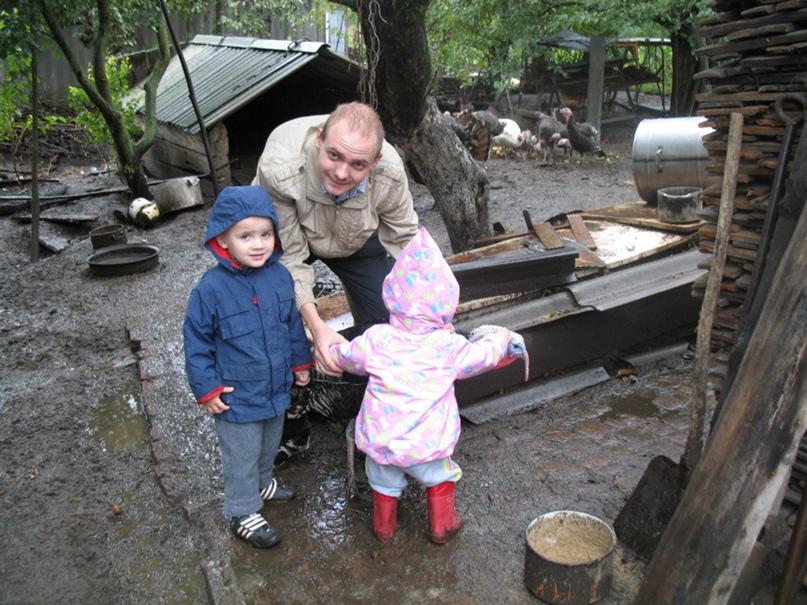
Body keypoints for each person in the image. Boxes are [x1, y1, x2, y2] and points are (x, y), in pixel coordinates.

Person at [327, 227, 520, 544]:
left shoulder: (378, 339)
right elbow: (482, 357)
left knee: (382, 482)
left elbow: (347, 357)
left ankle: (383, 529)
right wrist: (500, 341)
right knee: (441, 477)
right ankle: (442, 527)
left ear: (392, 295)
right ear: (447, 301)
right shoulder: (448, 345)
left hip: (383, 442)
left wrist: (331, 352)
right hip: (428, 445)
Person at [252, 102, 419, 464]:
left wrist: (436, 311)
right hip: (286, 238)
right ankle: (292, 431)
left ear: (373, 163)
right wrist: (317, 328)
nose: (342, 172)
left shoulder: (389, 172)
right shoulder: (280, 170)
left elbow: (408, 242)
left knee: (387, 323)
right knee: (274, 323)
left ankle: (372, 413)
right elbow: (290, 261)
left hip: (357, 242)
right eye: (334, 156)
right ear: (318, 141)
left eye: (358, 164)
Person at [183, 186, 313, 548]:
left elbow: (291, 325)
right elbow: (196, 343)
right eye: (245, 236)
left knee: (269, 442)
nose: (257, 244)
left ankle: (262, 481)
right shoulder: (210, 290)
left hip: (274, 388)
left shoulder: (280, 278)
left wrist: (301, 362)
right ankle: (242, 510)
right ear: (223, 239)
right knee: (240, 454)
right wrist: (206, 390)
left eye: (265, 234)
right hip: (236, 396)